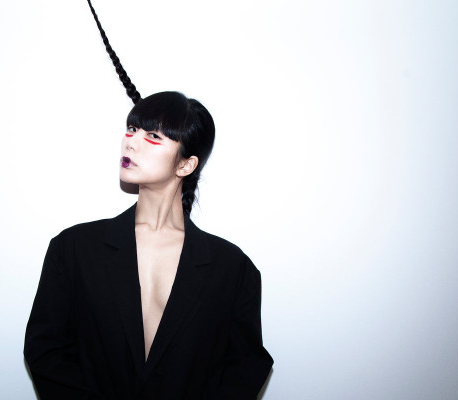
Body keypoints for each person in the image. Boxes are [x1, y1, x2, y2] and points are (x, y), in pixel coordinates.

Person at [23, 3, 273, 399]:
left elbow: (246, 367)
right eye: (132, 129)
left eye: (153, 137)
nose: (131, 142)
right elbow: (45, 351)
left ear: (186, 164)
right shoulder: (73, 250)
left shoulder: (232, 269)